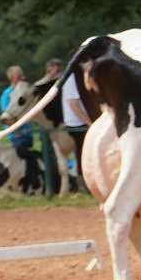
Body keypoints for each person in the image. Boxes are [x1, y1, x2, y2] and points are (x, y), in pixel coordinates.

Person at [57, 57, 92, 194]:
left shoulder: (73, 75)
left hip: (78, 121)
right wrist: (89, 122)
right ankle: (83, 183)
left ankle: (84, 183)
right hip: (77, 122)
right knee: (82, 153)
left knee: (82, 152)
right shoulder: (72, 77)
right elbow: (73, 104)